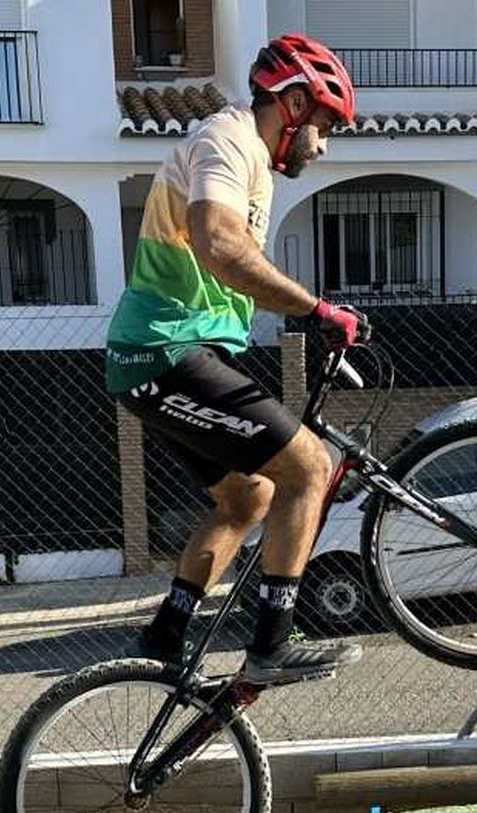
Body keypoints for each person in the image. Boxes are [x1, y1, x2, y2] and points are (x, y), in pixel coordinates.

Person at [105, 34, 367, 685]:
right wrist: (314, 309)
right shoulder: (229, 139)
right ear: (297, 102)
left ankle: (165, 635)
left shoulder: (250, 159)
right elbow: (219, 243)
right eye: (326, 126)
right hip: (163, 350)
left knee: (248, 498)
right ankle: (272, 642)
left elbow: (226, 262)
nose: (324, 145)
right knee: (311, 465)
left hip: (167, 355)